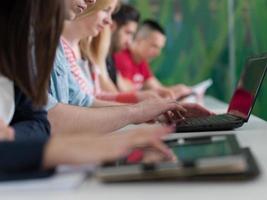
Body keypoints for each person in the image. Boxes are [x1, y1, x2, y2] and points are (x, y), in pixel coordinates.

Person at [0, 0, 177, 174]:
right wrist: (134, 113)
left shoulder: (42, 40)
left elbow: (47, 118)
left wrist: (137, 111)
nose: (109, 21)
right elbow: (50, 120)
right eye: (106, 10)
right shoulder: (25, 38)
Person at [48, 0, 212, 136]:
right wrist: (138, 111)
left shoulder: (57, 47)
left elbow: (83, 101)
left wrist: (155, 112)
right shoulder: (46, 44)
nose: (109, 23)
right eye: (106, 11)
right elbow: (53, 118)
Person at [113, 19, 193, 99]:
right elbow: (126, 92)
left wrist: (178, 90)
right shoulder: (122, 57)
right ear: (139, 40)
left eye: (160, 48)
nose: (157, 53)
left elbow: (158, 89)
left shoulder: (141, 61)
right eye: (154, 46)